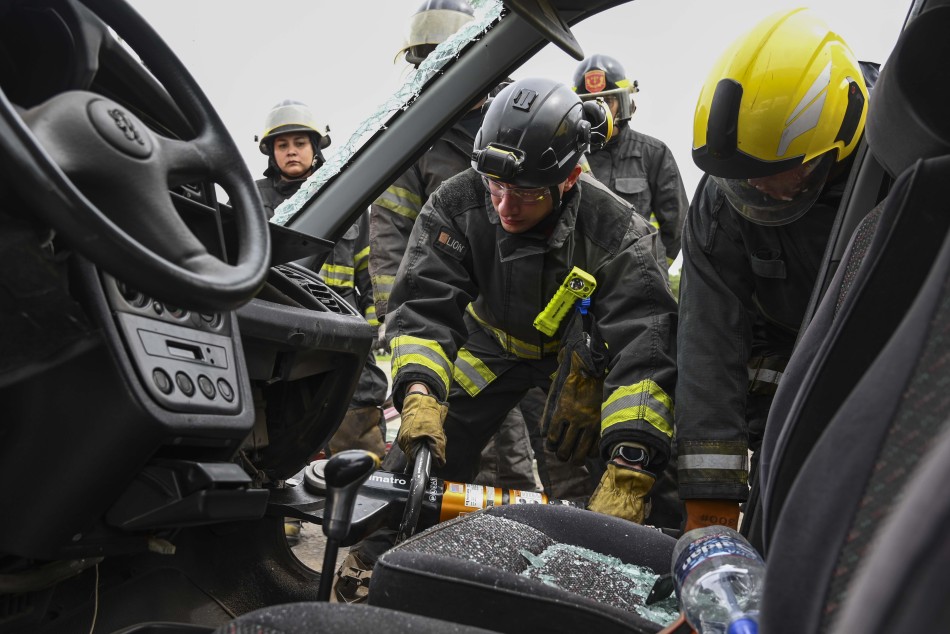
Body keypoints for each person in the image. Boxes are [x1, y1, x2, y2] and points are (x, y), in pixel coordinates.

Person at [387, 76, 677, 523]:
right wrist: (420, 392)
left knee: (642, 490)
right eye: (496, 188)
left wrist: (629, 466)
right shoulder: (457, 203)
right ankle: (376, 559)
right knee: (420, 450)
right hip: (490, 347)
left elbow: (644, 354)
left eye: (525, 193)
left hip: (579, 360)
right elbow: (425, 305)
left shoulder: (618, 236)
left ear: (569, 179)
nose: (504, 208)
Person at [370, 0, 591, 498]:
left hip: (556, 335)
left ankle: (570, 546)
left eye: (448, 57)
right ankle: (388, 555)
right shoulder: (409, 139)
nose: (438, 71)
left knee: (568, 451)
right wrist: (407, 340)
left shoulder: (534, 120)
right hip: (473, 327)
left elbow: (584, 230)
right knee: (438, 443)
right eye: (427, 59)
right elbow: (393, 246)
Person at [675, 8, 872, 535]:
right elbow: (709, 345)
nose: (756, 192)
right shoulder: (725, 198)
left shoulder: (906, 163)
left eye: (776, 176)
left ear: (841, 132)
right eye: (742, 180)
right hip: (785, 369)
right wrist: (708, 509)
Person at [256, 100, 388, 459]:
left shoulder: (344, 198)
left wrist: (371, 333)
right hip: (279, 340)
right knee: (281, 441)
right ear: (271, 153)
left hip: (342, 335)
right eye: (282, 145)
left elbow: (370, 276)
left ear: (316, 148)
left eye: (299, 143)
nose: (291, 151)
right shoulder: (253, 201)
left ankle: (364, 510)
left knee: (360, 446)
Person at [572, 54, 688, 265]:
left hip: (637, 276)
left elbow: (677, 226)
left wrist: (653, 270)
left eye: (607, 100)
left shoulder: (654, 153)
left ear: (624, 103)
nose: (599, 110)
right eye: (589, 103)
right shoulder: (570, 155)